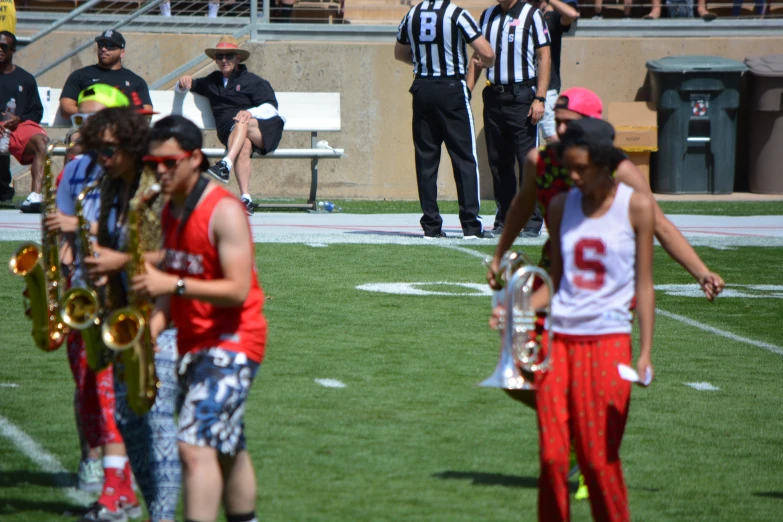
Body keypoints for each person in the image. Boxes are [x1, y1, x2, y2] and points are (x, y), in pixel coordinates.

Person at [131, 115, 267, 522]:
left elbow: (236, 290)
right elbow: (171, 285)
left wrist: (169, 284)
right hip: (195, 341)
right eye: (151, 164)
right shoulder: (167, 209)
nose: (159, 172)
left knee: (192, 445)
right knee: (227, 445)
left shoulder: (223, 211)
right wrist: (149, 334)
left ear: (194, 159)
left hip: (234, 342)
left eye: (168, 163)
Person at [487, 87, 725, 301]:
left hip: (605, 286)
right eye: (557, 121)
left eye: (569, 123)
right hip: (554, 277)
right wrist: (498, 257)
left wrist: (702, 272)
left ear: (593, 124)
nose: (560, 130)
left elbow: (661, 226)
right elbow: (521, 209)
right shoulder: (539, 161)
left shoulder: (620, 171)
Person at [537, 117, 655, 522]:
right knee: (553, 457)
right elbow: (556, 281)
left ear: (604, 163)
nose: (572, 176)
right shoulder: (559, 206)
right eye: (567, 166)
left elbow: (644, 285)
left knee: (597, 459)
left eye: (580, 168)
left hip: (608, 343)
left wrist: (645, 353)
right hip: (559, 343)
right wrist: (518, 310)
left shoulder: (636, 206)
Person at [80, 106, 181, 522]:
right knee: (129, 421)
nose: (101, 158)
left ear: (131, 144)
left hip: (167, 319)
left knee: (157, 426)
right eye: (96, 150)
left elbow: (178, 254)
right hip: (126, 318)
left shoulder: (155, 188)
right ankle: (139, 501)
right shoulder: (109, 186)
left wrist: (118, 261)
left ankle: (163, 515)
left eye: (109, 149)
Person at [46, 94, 142, 522]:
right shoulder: (74, 170)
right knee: (88, 389)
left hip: (123, 296)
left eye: (95, 120)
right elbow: (62, 237)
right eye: (81, 119)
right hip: (82, 292)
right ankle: (108, 474)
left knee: (113, 394)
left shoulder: (131, 171)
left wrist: (79, 226)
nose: (83, 126)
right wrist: (57, 284)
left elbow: (137, 227)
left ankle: (118, 484)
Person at [394, 0, 496, 239]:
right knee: (464, 157)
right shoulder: (456, 13)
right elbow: (487, 52)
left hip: (422, 88)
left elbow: (399, 54)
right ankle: (471, 225)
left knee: (426, 159)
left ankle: (431, 226)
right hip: (451, 88)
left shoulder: (412, 14)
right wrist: (487, 63)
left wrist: (423, 60)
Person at [467, 0, 551, 238]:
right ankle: (504, 219)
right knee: (499, 163)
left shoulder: (532, 14)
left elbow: (544, 55)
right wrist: (466, 91)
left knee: (527, 162)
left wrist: (540, 97)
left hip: (522, 96)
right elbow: (477, 55)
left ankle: (532, 221)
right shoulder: (487, 16)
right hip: (494, 95)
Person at [176, 35, 284, 216]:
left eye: (229, 55)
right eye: (220, 56)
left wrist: (250, 112)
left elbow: (271, 108)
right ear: (216, 60)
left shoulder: (253, 81)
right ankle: (246, 198)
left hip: (263, 131)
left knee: (241, 119)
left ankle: (226, 163)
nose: (224, 60)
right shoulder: (211, 81)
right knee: (244, 146)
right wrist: (182, 83)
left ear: (238, 58)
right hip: (231, 133)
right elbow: (185, 87)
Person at [0, 31, 48, 213]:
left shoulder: (26, 79)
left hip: (18, 127)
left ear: (13, 50)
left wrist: (19, 118)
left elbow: (37, 112)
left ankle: (35, 197)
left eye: (3, 46)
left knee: (42, 142)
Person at [59, 30, 153, 120]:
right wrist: (92, 117)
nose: (104, 49)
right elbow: (66, 108)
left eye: (110, 46)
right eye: (101, 45)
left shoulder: (136, 80)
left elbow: (147, 111)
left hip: (123, 128)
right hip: (87, 127)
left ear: (122, 52)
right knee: (76, 136)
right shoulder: (80, 75)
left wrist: (120, 121)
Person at [530, 0, 579, 145]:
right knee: (529, 138)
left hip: (548, 86)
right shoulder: (524, 15)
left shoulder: (553, 16)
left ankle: (564, 166)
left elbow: (572, 14)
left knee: (551, 136)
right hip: (524, 85)